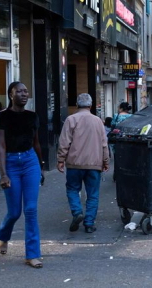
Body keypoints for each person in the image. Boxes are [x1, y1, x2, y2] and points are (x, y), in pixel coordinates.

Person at [0, 82, 44, 269]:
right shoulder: (2, 116)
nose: (24, 94)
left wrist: (41, 167)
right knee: (14, 212)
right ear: (10, 94)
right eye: (20, 91)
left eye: (26, 91)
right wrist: (3, 174)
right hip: (11, 163)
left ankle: (32, 254)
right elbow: (1, 147)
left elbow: (37, 143)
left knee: (31, 209)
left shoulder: (33, 116)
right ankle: (2, 235)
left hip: (30, 161)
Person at [57, 93, 109, 234]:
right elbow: (104, 143)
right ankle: (89, 224)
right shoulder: (98, 121)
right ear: (90, 105)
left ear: (77, 105)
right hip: (94, 164)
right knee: (93, 194)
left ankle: (77, 212)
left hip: (74, 164)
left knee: (73, 189)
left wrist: (61, 160)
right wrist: (106, 161)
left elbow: (64, 142)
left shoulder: (70, 119)